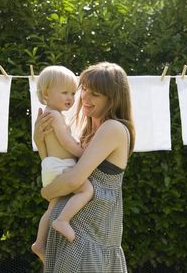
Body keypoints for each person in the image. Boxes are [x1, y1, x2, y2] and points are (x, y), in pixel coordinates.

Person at [34, 62, 135, 272]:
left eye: (95, 94)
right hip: (74, 238)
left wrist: (47, 192)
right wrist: (39, 138)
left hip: (90, 238)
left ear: (112, 98)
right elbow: (53, 164)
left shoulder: (113, 128)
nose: (85, 98)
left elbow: (73, 180)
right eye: (85, 90)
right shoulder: (88, 132)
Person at [31, 65, 94, 263]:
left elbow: (45, 144)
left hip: (51, 166)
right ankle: (63, 220)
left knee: (52, 206)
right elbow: (66, 142)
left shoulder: (46, 115)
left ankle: (39, 243)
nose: (70, 97)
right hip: (60, 166)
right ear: (47, 93)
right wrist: (83, 153)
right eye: (65, 92)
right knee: (86, 190)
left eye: (73, 93)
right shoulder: (55, 116)